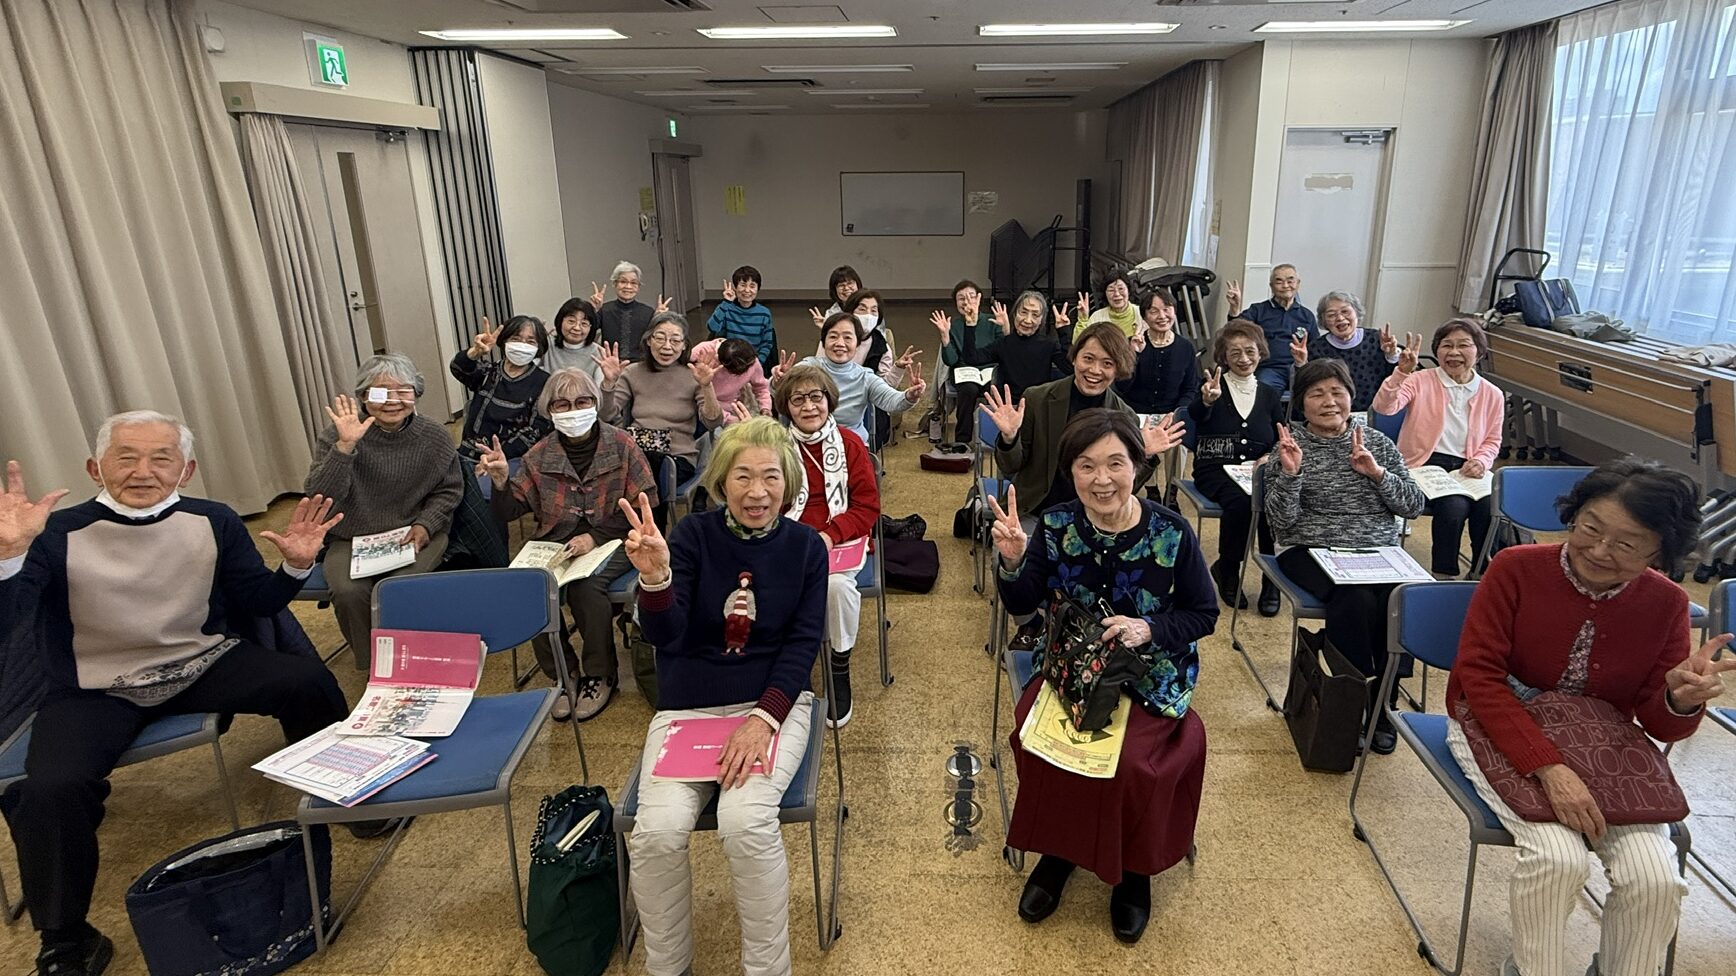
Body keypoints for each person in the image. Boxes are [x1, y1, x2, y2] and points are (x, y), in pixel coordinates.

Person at [0, 412, 354, 976]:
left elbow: (257, 603)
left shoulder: (213, 519)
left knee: (305, 681)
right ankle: (65, 939)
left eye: (161, 458)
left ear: (185, 469)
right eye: (126, 457)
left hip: (200, 660)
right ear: (95, 468)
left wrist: (293, 568)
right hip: (96, 686)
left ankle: (344, 794)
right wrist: (10, 560)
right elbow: (9, 625)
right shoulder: (53, 533)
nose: (143, 471)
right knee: (49, 789)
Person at [1446, 458, 1734, 976]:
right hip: (1499, 723)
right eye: (1590, 528)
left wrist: (1680, 698)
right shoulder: (1515, 568)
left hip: (1601, 742)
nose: (1599, 551)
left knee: (1655, 880)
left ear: (1660, 553)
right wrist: (1550, 768)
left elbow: (1660, 726)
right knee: (1557, 860)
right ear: (1572, 516)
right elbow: (1479, 679)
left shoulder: (1667, 603)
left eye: (1626, 545)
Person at [985, 409, 1218, 944]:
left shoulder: (1171, 532)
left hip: (1150, 671)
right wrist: (1015, 561)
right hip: (1072, 666)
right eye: (1086, 466)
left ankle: (1133, 872)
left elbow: (1204, 614)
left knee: (1132, 764)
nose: (1102, 479)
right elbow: (1022, 603)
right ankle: (1059, 852)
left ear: (1138, 465)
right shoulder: (1057, 525)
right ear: (1070, 471)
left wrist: (1149, 627)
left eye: (1116, 463)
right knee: (1040, 741)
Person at [619, 417, 826, 976]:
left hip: (771, 705)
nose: (757, 492)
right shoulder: (691, 535)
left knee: (745, 821)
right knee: (657, 832)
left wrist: (762, 719)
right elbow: (665, 636)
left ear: (788, 482)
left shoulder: (806, 547)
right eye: (743, 476)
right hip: (688, 706)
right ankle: (668, 967)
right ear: (720, 481)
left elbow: (801, 645)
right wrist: (656, 580)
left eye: (770, 477)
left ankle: (767, 970)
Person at [1264, 358, 1425, 753]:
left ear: (1352, 397)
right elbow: (1280, 522)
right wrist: (1291, 475)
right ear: (1301, 403)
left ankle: (1383, 702)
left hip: (1376, 551)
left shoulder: (1378, 443)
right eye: (1317, 394)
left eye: (1337, 392)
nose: (1329, 402)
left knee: (1397, 599)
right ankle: (1349, 703)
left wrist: (1377, 474)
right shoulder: (1289, 446)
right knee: (1354, 598)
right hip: (1309, 548)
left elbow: (1413, 505)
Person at [479, 368, 657, 722]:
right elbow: (510, 510)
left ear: (595, 403)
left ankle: (600, 674)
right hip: (558, 541)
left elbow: (645, 503)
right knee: (529, 586)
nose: (573, 410)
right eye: (562, 404)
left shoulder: (622, 444)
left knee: (586, 587)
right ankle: (563, 674)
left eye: (582, 402)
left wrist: (596, 536)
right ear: (550, 410)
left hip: (617, 538)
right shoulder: (539, 454)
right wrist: (500, 483)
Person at [306, 354, 464, 666]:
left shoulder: (434, 435)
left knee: (396, 589)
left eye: (403, 391)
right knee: (348, 592)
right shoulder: (337, 434)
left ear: (416, 394)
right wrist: (345, 448)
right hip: (352, 536)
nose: (392, 401)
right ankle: (377, 667)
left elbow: (449, 491)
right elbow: (320, 496)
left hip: (415, 530)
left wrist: (426, 524)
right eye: (380, 392)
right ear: (363, 396)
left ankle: (411, 658)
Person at [986, 323, 1183, 524]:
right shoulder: (1037, 399)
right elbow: (1010, 467)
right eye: (1088, 359)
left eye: (1107, 363)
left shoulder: (1125, 417)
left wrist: (1145, 454)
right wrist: (1010, 438)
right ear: (1074, 358)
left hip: (1095, 518)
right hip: (1035, 510)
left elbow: (1125, 489)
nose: (1095, 370)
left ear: (1118, 368)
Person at [776, 365, 881, 728]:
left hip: (840, 539)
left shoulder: (850, 443)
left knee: (836, 588)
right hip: (789, 538)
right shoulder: (777, 447)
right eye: (798, 399)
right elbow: (765, 503)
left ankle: (838, 665)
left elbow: (867, 506)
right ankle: (795, 664)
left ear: (829, 400)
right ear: (787, 407)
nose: (809, 406)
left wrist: (830, 534)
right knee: (774, 584)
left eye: (815, 397)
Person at [1371, 318, 1504, 577]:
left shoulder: (1492, 393)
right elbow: (1384, 408)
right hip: (1423, 463)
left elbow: (1492, 440)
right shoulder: (1419, 380)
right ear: (1437, 350)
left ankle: (1482, 573)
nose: (1454, 352)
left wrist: (1481, 461)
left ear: (1479, 351)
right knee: (1454, 507)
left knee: (1491, 507)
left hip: (1468, 467)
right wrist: (1401, 373)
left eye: (1463, 345)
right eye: (1447, 345)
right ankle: (1444, 574)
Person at [1187, 320, 1284, 614]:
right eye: (1235, 353)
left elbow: (1282, 435)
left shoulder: (1269, 394)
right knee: (1242, 501)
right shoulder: (1211, 387)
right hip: (1215, 469)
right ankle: (1228, 568)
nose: (1244, 359)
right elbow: (1195, 415)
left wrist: (1269, 457)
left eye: (1250, 351)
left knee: (1273, 499)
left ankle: (1271, 576)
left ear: (1260, 352)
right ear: (1224, 357)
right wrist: (1206, 401)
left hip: (1258, 469)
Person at [598, 313, 725, 529]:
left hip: (676, 458)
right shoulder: (632, 372)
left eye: (675, 340)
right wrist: (609, 384)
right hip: (635, 453)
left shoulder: (693, 375)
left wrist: (706, 386)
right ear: (648, 340)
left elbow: (713, 422)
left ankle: (649, 531)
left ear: (684, 346)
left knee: (649, 464)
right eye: (660, 338)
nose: (667, 346)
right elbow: (606, 415)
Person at [773, 312, 924, 443]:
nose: (840, 343)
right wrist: (778, 380)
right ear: (823, 342)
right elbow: (779, 391)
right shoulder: (809, 366)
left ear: (857, 344)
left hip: (850, 446)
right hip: (808, 442)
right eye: (833, 337)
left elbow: (892, 401)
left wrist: (910, 395)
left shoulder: (865, 377)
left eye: (847, 338)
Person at [450, 314, 552, 463]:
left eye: (530, 342)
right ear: (504, 341)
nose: (522, 346)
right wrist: (475, 352)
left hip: (511, 461)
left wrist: (496, 457)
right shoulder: (488, 372)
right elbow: (458, 368)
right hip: (468, 455)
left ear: (538, 348)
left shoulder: (544, 382)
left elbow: (536, 431)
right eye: (516, 339)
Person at [1287, 291, 1396, 413]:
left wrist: (1391, 355)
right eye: (1331, 315)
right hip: (1332, 414)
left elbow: (1396, 381)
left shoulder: (1377, 339)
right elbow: (1305, 389)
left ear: (1357, 313)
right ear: (1324, 321)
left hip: (1374, 412)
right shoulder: (1316, 348)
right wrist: (1301, 363)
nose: (1340, 318)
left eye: (1345, 311)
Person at [1224, 264, 1317, 391]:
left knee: (1315, 390)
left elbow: (1315, 348)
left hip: (1300, 367)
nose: (1285, 285)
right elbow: (1234, 331)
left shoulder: (1307, 316)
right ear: (1271, 286)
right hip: (1269, 369)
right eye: (1279, 282)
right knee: (1264, 392)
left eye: (1290, 281)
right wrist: (1235, 308)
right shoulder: (1258, 310)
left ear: (1298, 284)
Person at [932, 279, 998, 446]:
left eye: (971, 296)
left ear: (979, 298)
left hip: (990, 370)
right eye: (961, 298)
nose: (966, 302)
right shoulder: (953, 326)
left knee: (998, 388)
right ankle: (962, 440)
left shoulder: (993, 321)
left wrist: (1006, 329)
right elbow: (951, 360)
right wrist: (945, 338)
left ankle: (996, 438)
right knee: (968, 390)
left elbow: (1003, 351)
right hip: (964, 372)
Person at [1118, 287, 1200, 419]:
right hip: (1134, 416)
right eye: (1154, 311)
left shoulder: (1186, 347)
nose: (1162, 316)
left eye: (1166, 309)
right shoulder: (1131, 344)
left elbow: (1190, 389)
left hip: (1172, 417)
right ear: (1144, 317)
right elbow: (1121, 386)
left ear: (1174, 312)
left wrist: (1177, 414)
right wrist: (1135, 354)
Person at [987, 290, 1072, 401]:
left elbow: (1069, 368)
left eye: (1035, 315)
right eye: (1023, 312)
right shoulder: (1003, 343)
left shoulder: (1049, 345)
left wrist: (1063, 331)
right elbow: (972, 357)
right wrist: (971, 323)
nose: (1028, 320)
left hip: (1038, 405)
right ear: (1015, 313)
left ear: (1042, 320)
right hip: (1008, 406)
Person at [590, 261, 666, 362]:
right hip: (610, 363)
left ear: (638, 287)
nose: (628, 286)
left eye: (633, 283)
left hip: (641, 364)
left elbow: (657, 339)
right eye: (623, 282)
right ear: (615, 284)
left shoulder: (648, 312)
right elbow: (588, 331)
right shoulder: (604, 310)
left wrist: (659, 319)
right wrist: (594, 310)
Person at [707, 265, 776, 375]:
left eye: (752, 286)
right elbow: (712, 328)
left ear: (758, 289)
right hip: (730, 363)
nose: (747, 290)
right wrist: (726, 302)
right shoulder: (726, 308)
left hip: (753, 363)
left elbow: (767, 344)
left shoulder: (764, 313)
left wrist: (756, 364)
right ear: (735, 287)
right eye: (743, 285)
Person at [690, 337, 772, 423]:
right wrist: (731, 420)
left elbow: (761, 388)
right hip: (702, 405)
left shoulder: (751, 361)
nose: (749, 369)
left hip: (731, 409)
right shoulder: (703, 351)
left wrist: (765, 408)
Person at [544, 296, 604, 382]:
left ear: (591, 328)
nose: (577, 328)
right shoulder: (547, 345)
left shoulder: (599, 353)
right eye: (571, 321)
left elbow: (600, 389)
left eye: (584, 323)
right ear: (560, 321)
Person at [1081, 271, 1140, 339]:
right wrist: (1083, 319)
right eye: (1111, 290)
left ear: (1128, 291)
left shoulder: (1141, 313)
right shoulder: (1097, 317)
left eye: (1121, 289)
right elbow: (1081, 342)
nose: (1117, 294)